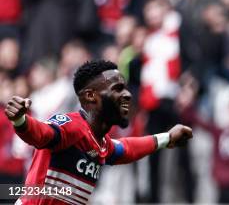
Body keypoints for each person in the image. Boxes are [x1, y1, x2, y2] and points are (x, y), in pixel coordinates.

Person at [3, 60, 192, 205]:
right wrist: (21, 120)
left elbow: (126, 149)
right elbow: (42, 134)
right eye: (117, 89)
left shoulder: (100, 143)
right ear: (91, 96)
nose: (127, 95)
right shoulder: (71, 126)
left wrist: (167, 138)